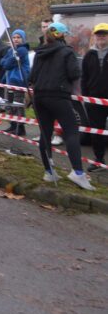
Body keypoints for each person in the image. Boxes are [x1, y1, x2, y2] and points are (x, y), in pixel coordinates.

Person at [29, 22, 95, 191]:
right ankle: (78, 172)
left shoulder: (39, 52)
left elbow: (32, 75)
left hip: (39, 96)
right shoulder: (67, 52)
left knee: (45, 132)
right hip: (58, 95)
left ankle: (49, 171)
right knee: (71, 131)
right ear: (63, 35)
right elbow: (74, 73)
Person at [82, 23, 108, 172]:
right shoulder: (89, 55)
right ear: (95, 36)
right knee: (96, 132)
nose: (101, 36)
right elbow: (84, 78)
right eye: (99, 34)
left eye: (104, 33)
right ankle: (99, 160)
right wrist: (86, 98)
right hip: (94, 101)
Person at [0, 29, 30, 136]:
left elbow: (7, 64)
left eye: (18, 37)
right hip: (9, 81)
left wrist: (7, 61)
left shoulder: (22, 51)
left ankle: (20, 127)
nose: (16, 39)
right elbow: (2, 61)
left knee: (18, 105)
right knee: (9, 105)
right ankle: (13, 125)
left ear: (23, 39)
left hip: (18, 81)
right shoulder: (10, 50)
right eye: (14, 37)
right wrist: (6, 61)